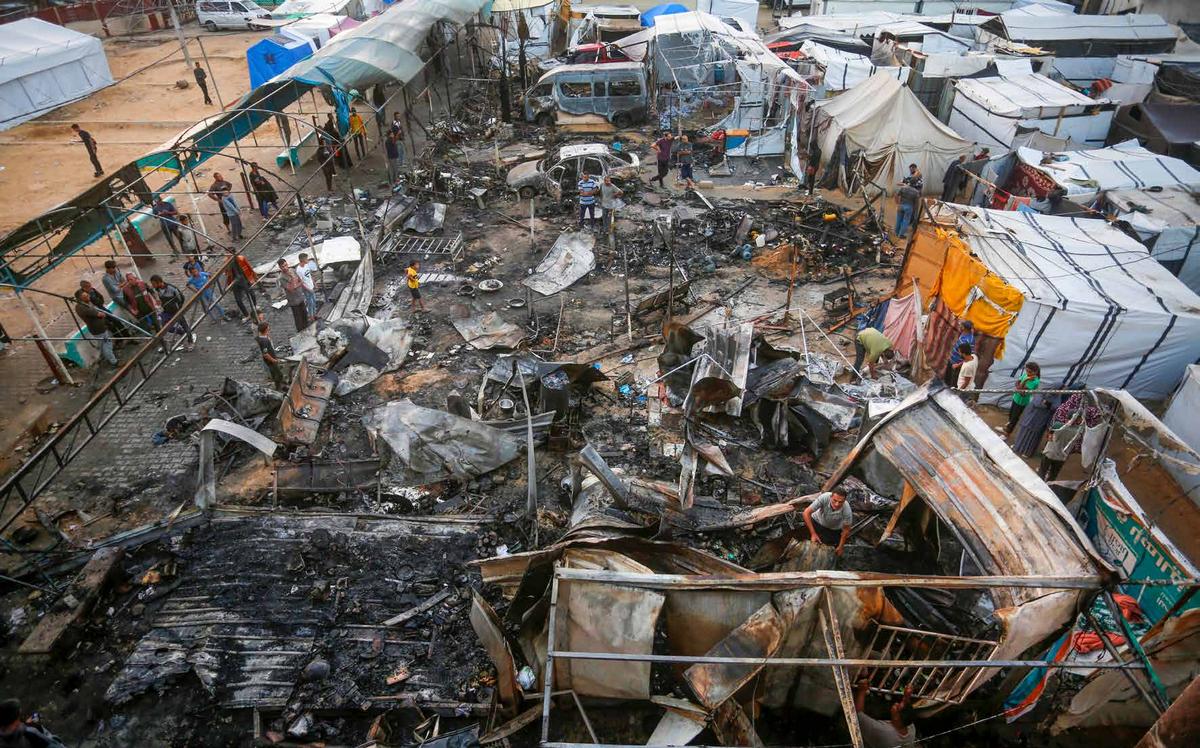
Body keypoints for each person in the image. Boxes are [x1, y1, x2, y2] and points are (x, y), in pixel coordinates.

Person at [854, 680, 916, 748]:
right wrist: (906, 697)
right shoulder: (911, 729)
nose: (895, 703)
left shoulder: (883, 731)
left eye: (897, 707)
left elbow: (857, 715)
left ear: (897, 717)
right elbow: (907, 710)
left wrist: (861, 691)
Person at [802, 488, 852, 556]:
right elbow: (806, 513)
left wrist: (841, 547)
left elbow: (846, 529)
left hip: (833, 529)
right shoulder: (824, 497)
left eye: (840, 502)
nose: (837, 504)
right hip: (817, 521)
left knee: (826, 551)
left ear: (844, 501)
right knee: (805, 542)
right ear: (830, 497)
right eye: (834, 500)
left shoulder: (847, 509)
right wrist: (813, 533)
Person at [150, 274, 195, 350]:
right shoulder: (157, 289)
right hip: (166, 312)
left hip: (176, 311)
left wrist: (179, 308)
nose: (153, 286)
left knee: (185, 326)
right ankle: (181, 332)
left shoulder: (172, 288)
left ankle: (190, 341)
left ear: (159, 282)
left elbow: (181, 298)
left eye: (154, 284)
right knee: (165, 327)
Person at [75, 289, 118, 366]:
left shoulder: (85, 304)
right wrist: (101, 314)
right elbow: (99, 314)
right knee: (106, 345)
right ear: (80, 298)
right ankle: (113, 361)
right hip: (98, 329)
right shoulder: (82, 307)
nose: (89, 296)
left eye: (87, 295)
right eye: (85, 296)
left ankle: (106, 357)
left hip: (99, 327)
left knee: (103, 344)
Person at [0, 699, 65, 748]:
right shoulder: (29, 733)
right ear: (15, 720)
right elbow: (56, 745)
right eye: (19, 716)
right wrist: (39, 728)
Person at [1006, 362, 1041, 436]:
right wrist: (1020, 385)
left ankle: (1007, 433)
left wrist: (1025, 381)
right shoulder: (1026, 375)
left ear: (1036, 372)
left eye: (1030, 372)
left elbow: (1022, 393)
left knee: (1014, 418)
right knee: (1011, 414)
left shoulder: (1035, 381)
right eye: (1026, 370)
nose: (1027, 373)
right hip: (1016, 397)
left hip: (1022, 401)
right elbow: (1017, 382)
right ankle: (1007, 428)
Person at [225, 249, 259, 323]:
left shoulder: (241, 258)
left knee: (251, 293)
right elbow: (227, 274)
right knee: (238, 300)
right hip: (235, 283)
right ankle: (246, 315)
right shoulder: (227, 262)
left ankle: (255, 305)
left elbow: (248, 267)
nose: (227, 255)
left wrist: (253, 275)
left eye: (228, 253)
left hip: (244, 279)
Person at [278, 258, 309, 332]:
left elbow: (301, 281)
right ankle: (301, 333)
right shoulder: (281, 278)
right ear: (280, 267)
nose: (285, 267)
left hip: (300, 297)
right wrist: (292, 278)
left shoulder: (292, 270)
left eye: (286, 265)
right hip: (293, 301)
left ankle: (307, 329)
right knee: (298, 319)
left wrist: (296, 285)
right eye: (283, 266)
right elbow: (291, 289)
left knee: (304, 314)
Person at [942, 320, 975, 386]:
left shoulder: (968, 341)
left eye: (961, 325)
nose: (960, 326)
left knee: (952, 384)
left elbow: (969, 357)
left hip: (957, 365)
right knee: (946, 380)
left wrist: (958, 365)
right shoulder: (964, 333)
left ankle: (950, 395)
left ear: (964, 328)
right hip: (951, 361)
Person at [256, 321, 286, 390]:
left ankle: (278, 384)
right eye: (268, 328)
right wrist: (274, 360)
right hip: (271, 361)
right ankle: (278, 388)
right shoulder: (264, 341)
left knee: (275, 373)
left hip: (271, 359)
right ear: (266, 329)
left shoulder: (261, 337)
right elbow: (266, 354)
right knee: (279, 375)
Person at [296, 252, 320, 319]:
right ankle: (311, 316)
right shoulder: (299, 270)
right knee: (310, 303)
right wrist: (309, 289)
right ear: (303, 260)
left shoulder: (306, 266)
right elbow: (301, 282)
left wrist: (314, 284)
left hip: (311, 286)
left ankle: (314, 314)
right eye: (306, 259)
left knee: (314, 301)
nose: (308, 260)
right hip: (307, 289)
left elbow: (309, 275)